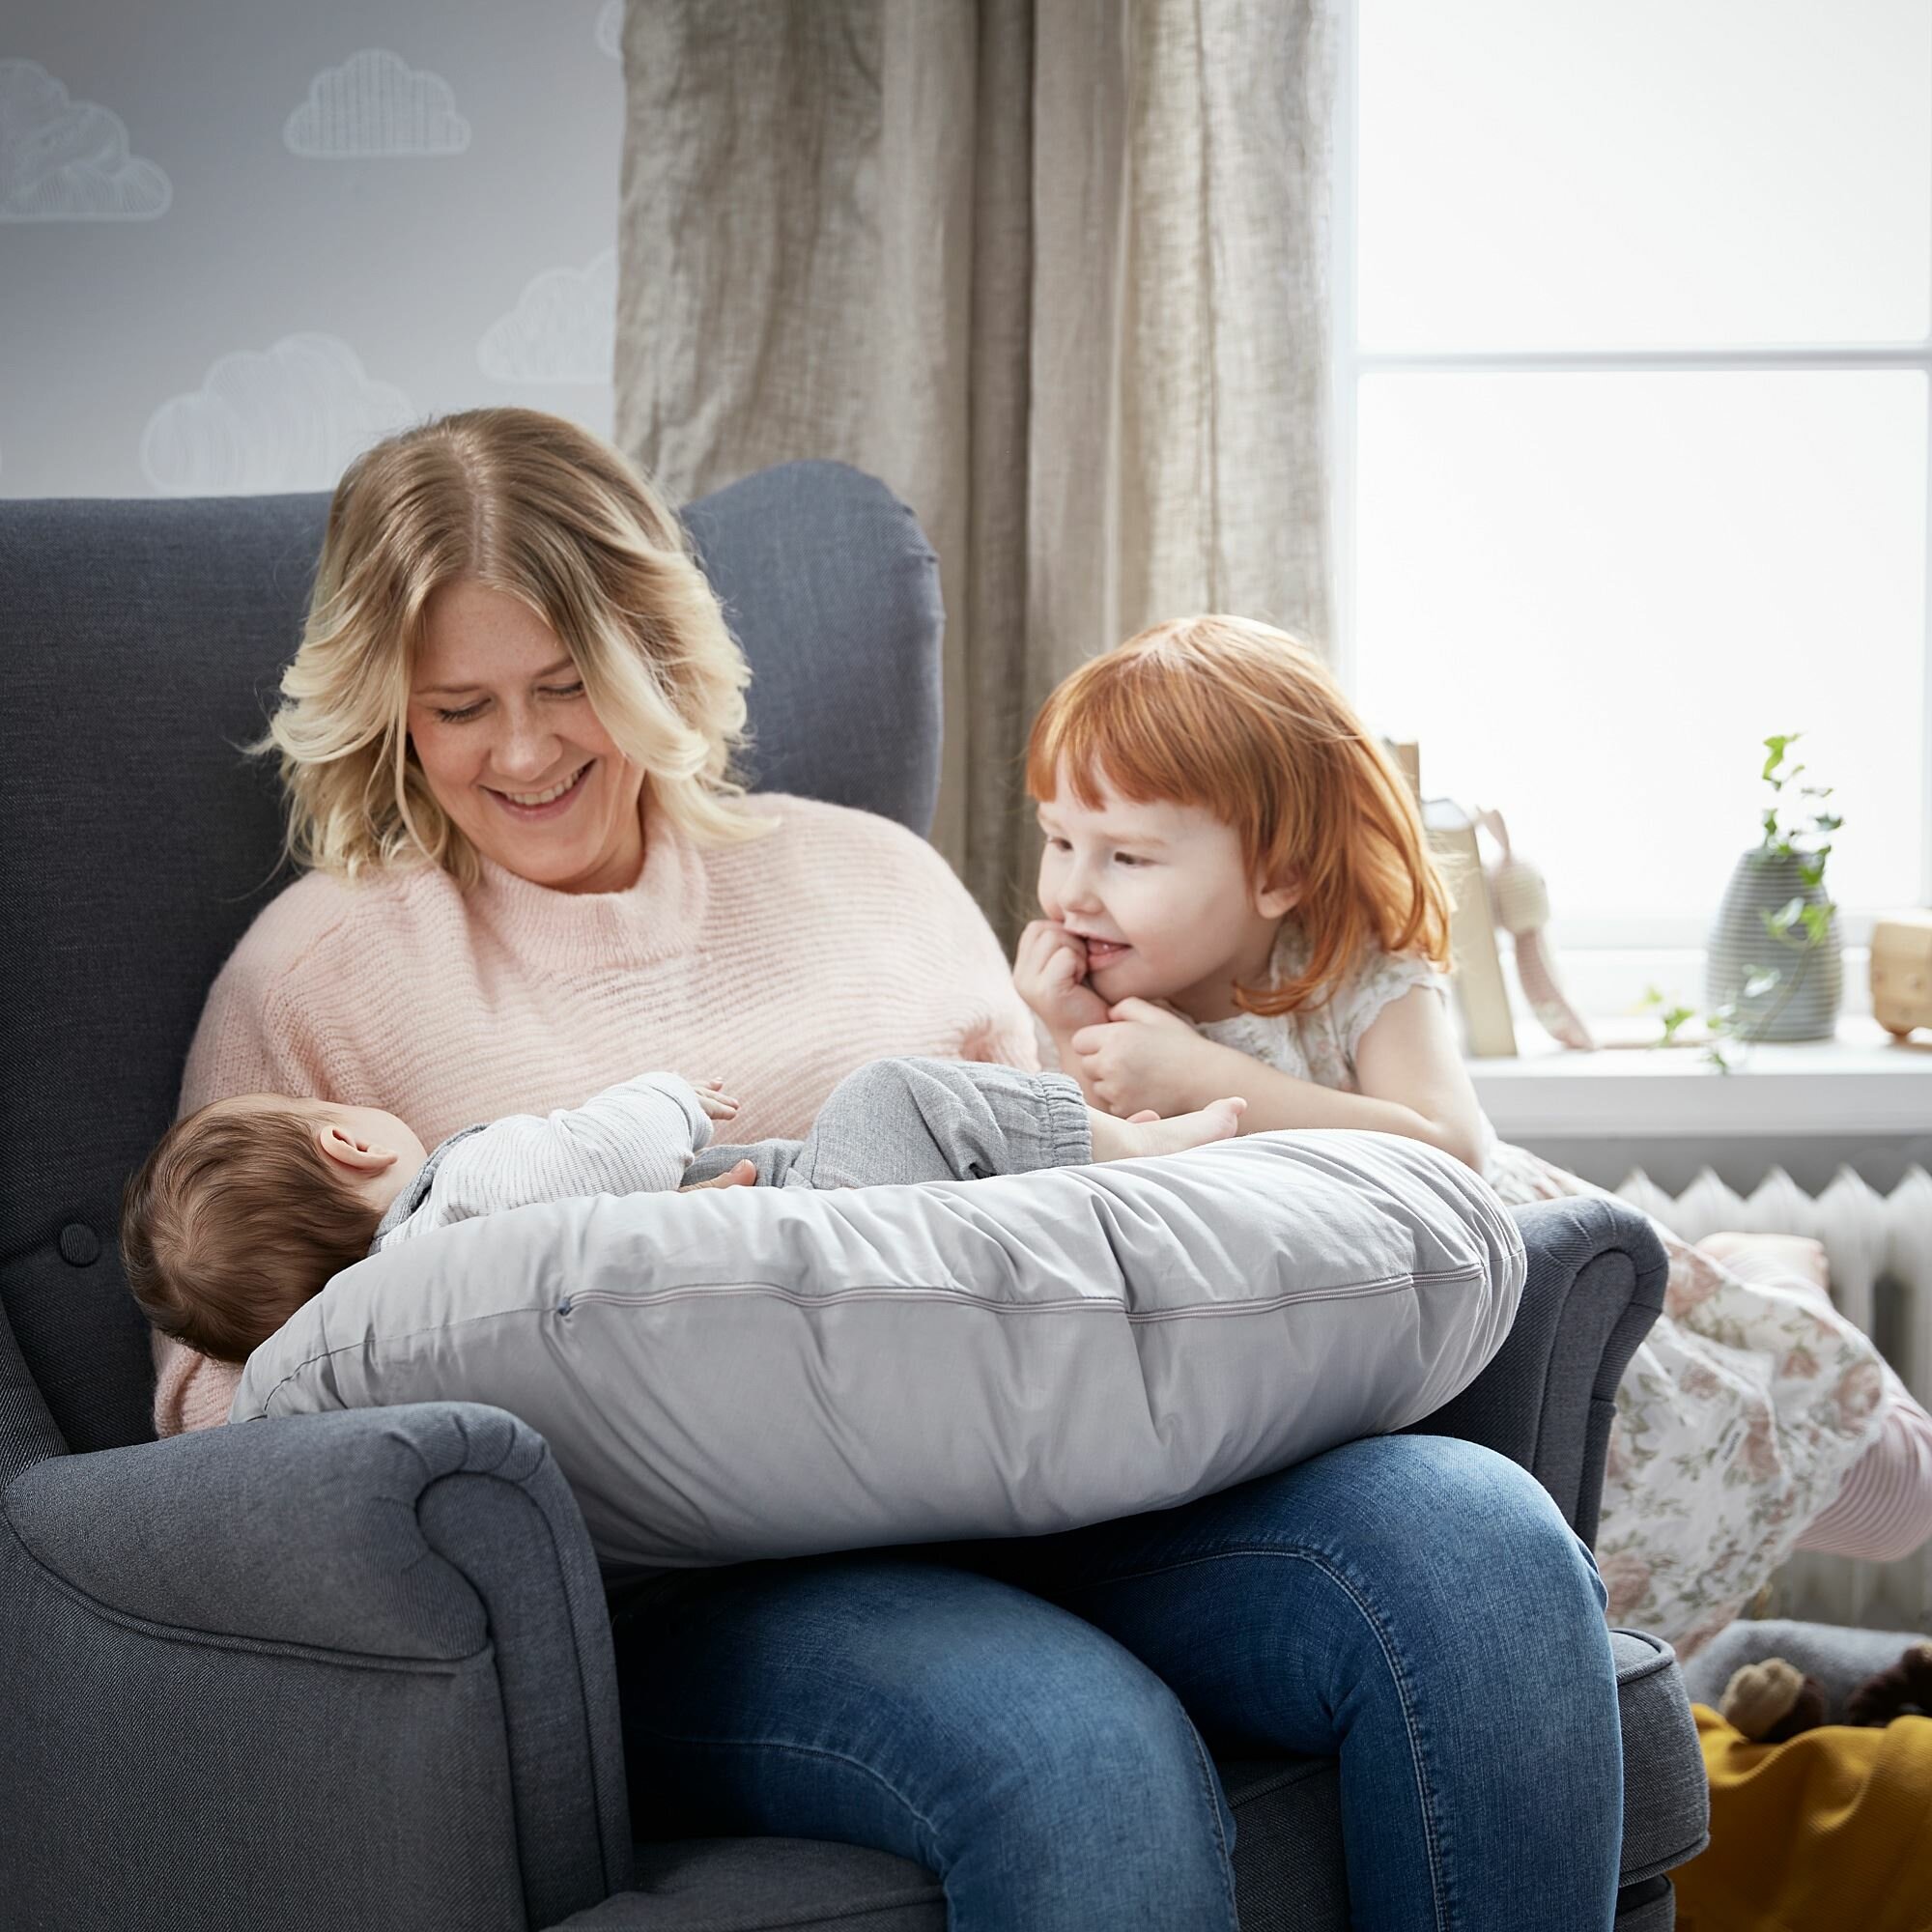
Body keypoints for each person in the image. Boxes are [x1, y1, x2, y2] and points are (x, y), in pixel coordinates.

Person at [159, 407, 1627, 1930]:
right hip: (702, 1596)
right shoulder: (318, 977)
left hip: (1058, 1476)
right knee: (1070, 1745)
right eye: (460, 706)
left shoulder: (872, 875)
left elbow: (1067, 1192)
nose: (522, 751)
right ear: (387, 710)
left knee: (1481, 1552)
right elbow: (229, 1417)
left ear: (654, 650)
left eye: (567, 682)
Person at [1012, 611, 1932, 1656]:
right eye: (1057, 839)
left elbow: (1446, 1149)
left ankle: (1771, 1279)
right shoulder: (1095, 999)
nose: (1071, 891)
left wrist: (1214, 1079)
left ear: (1277, 873)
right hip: (1374, 1349)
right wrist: (1071, 1033)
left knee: (1895, 1503)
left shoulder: (1356, 974)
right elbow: (1109, 1195)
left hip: (1522, 1297)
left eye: (1126, 855)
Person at [123, 1056, 1244, 1365]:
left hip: (779, 1310)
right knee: (892, 1095)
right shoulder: (459, 1192)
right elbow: (590, 1154)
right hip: (815, 1241)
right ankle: (1136, 1152)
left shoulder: (394, 1338)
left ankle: (1091, 1173)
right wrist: (665, 1097)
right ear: (348, 1141)